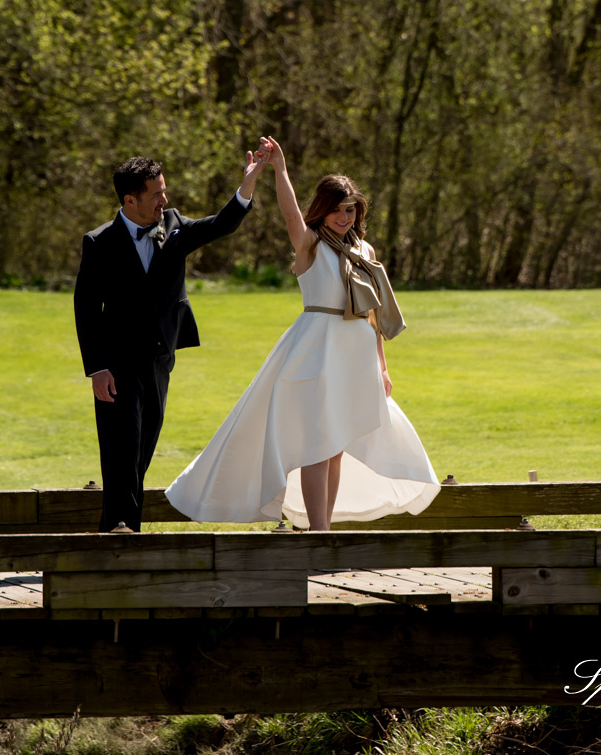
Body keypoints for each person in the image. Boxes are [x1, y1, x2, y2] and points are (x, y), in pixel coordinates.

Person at [165, 137, 440, 530]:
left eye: (350, 210)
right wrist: (279, 169)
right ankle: (319, 533)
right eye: (336, 210)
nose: (343, 217)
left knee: (336, 446)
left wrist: (382, 367)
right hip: (316, 348)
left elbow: (373, 314)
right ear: (323, 211)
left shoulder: (366, 251)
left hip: (356, 353)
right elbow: (290, 213)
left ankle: (322, 526)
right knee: (317, 443)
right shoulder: (310, 243)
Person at [75, 150, 268, 532]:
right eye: (155, 194)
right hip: (117, 365)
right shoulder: (99, 243)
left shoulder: (174, 226)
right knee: (121, 450)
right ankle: (121, 533)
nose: (164, 200)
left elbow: (222, 224)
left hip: (160, 360)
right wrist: (97, 368)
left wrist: (248, 183)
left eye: (165, 191)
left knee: (142, 449)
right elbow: (85, 309)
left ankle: (115, 529)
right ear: (129, 200)